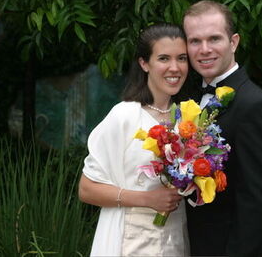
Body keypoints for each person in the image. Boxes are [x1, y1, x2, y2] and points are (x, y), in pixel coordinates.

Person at [79, 23, 190, 256]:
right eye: (163, 58)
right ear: (144, 63)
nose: (175, 67)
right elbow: (87, 190)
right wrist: (146, 199)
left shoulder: (189, 120)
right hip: (130, 242)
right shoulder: (125, 115)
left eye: (181, 58)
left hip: (175, 241)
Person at [181, 0, 262, 256]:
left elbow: (257, 202)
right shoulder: (188, 101)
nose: (204, 49)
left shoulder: (254, 104)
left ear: (233, 42)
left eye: (214, 39)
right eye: (195, 41)